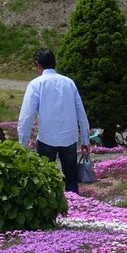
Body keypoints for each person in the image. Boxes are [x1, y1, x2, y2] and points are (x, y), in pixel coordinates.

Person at [17, 48, 91, 194]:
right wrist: (85, 140)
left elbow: (26, 116)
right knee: (70, 179)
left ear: (38, 64)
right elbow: (81, 113)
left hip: (47, 138)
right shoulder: (69, 83)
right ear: (54, 63)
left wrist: (22, 143)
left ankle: (49, 206)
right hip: (69, 138)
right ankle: (74, 206)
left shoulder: (36, 84)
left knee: (45, 179)